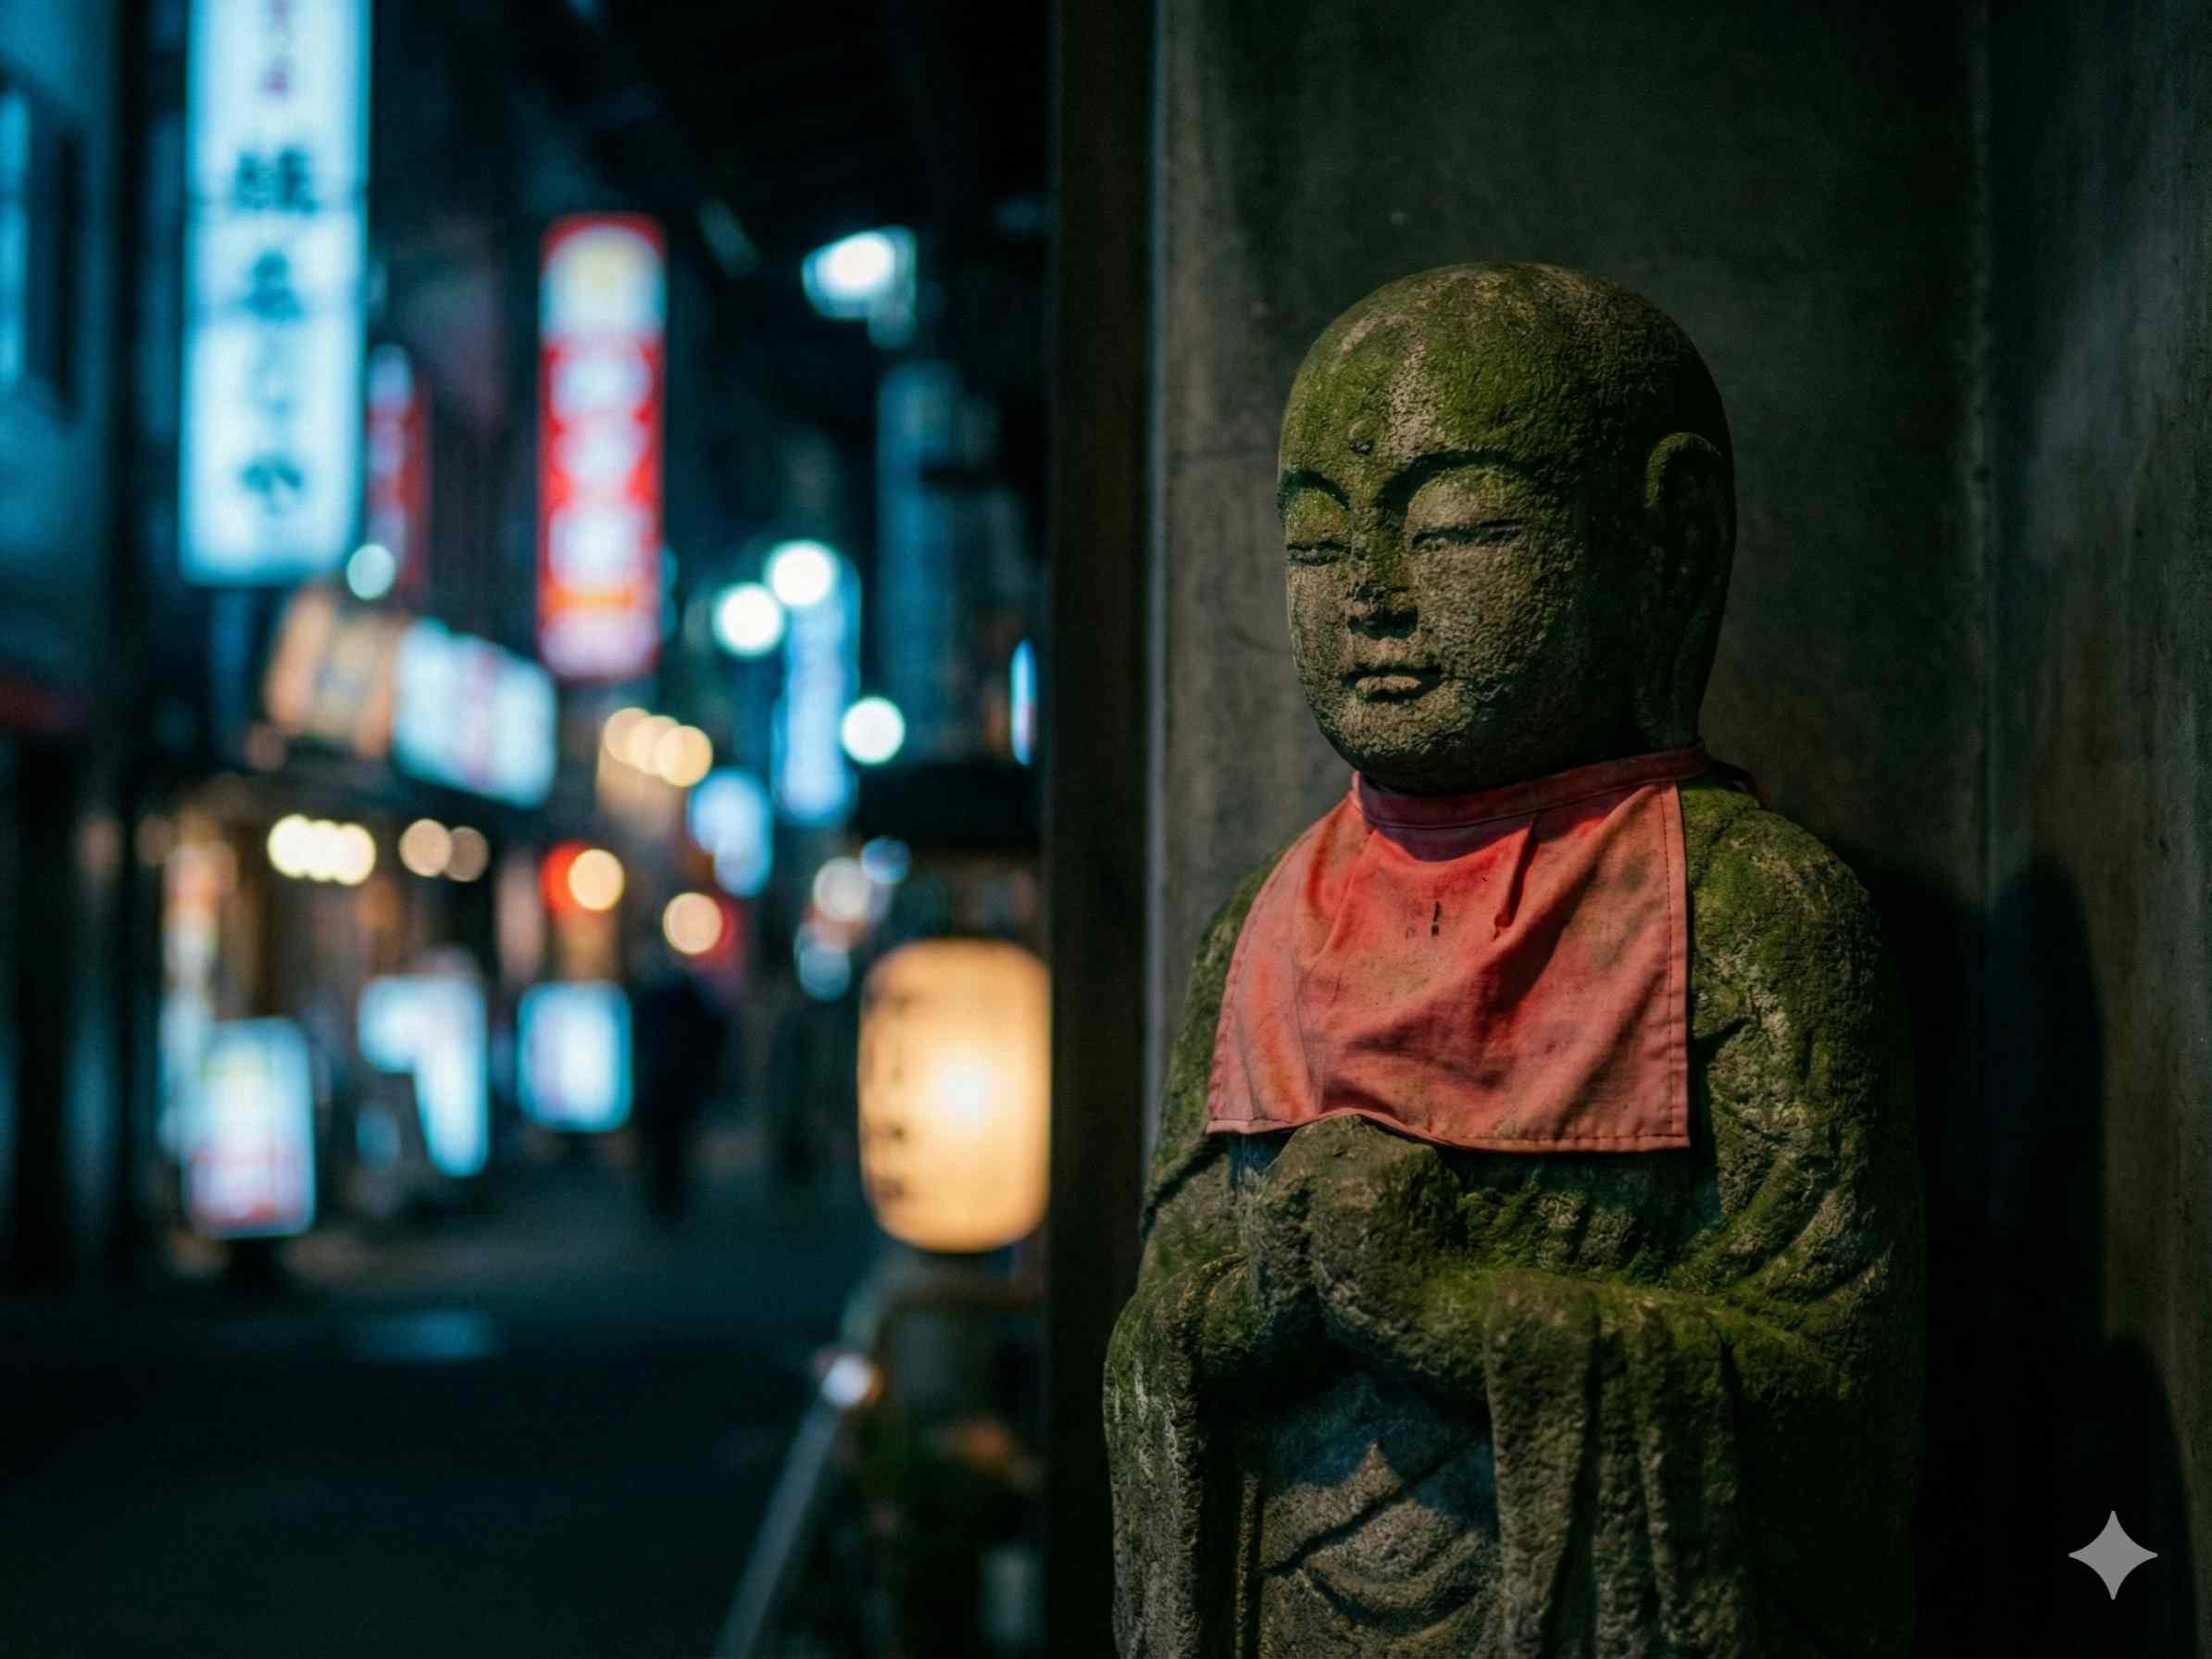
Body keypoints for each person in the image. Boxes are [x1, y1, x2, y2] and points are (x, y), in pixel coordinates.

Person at [1106, 264, 1923, 1656]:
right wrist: (1248, 1312)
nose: (1371, 595)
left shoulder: (1748, 912)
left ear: (1664, 542)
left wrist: (1455, 1315)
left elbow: (1841, 1400)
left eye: (1458, 527)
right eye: (1316, 544)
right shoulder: (1261, 926)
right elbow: (1153, 1339)